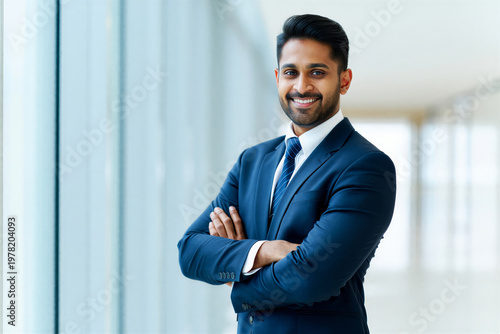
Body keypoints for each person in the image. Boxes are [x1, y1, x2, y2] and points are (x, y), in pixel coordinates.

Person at [178, 14, 396, 334]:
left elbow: (311, 277)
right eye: (291, 72)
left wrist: (237, 271)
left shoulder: (365, 166)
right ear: (278, 77)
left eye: (317, 73)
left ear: (344, 80)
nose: (302, 86)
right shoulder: (252, 161)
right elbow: (191, 251)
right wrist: (266, 250)